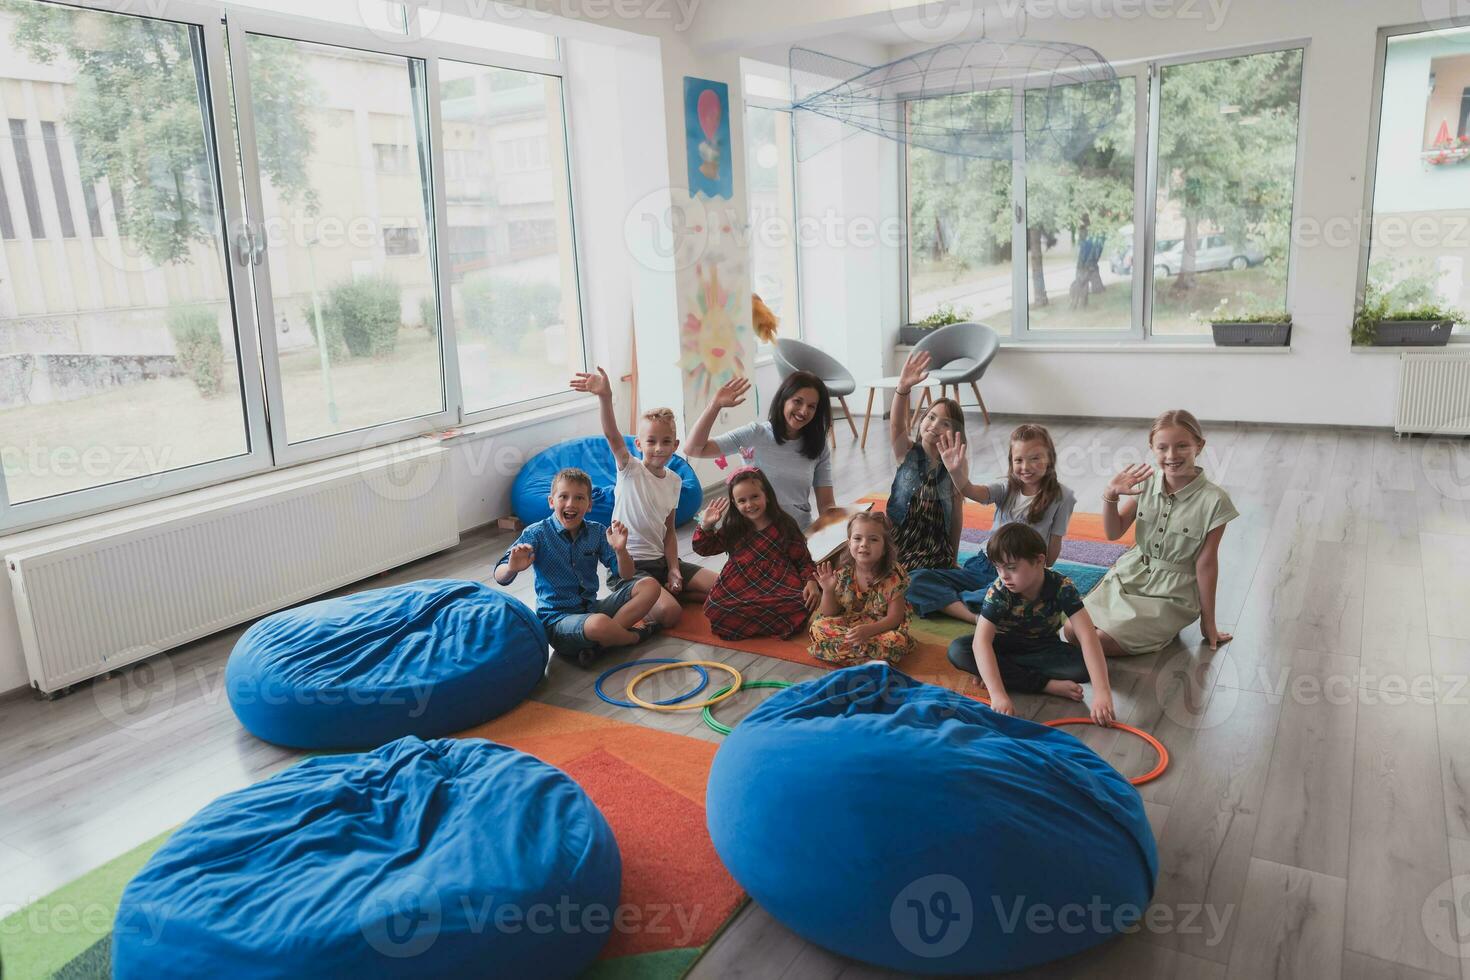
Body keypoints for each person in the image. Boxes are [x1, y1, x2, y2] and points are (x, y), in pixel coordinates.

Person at [1072, 409, 1237, 656]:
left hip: (1172, 594)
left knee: (1099, 641)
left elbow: (1206, 564)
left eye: (1182, 446)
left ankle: (1160, 629)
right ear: (1152, 447)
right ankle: (1141, 630)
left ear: (1199, 446)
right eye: (1162, 447)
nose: (1171, 455)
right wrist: (1110, 495)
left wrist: (1208, 623)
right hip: (1131, 576)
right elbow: (1113, 532)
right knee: (1071, 631)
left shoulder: (1215, 500)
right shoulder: (1146, 482)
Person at [570, 366, 717, 627]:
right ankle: (641, 599)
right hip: (629, 568)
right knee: (671, 614)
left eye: (666, 441)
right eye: (651, 441)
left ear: (675, 444)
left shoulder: (675, 480)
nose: (659, 448)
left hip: (661, 562)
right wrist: (605, 397)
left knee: (722, 586)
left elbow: (669, 532)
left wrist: (673, 568)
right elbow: (612, 435)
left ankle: (667, 589)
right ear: (639, 445)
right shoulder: (630, 469)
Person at [906, 423, 1076, 623]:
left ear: (1050, 459)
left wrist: (1035, 574)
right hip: (985, 564)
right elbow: (971, 491)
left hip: (1019, 572)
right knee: (912, 580)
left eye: (1035, 458)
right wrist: (955, 472)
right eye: (1018, 460)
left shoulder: (1062, 496)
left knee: (1022, 597)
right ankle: (975, 615)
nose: (1026, 467)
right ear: (1011, 462)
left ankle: (956, 602)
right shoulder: (1006, 487)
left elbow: (1051, 555)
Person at [946, 524, 1114, 726]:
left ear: (1039, 561)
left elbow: (1087, 636)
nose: (1003, 576)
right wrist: (997, 694)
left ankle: (1000, 671)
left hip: (1042, 646)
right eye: (998, 567)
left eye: (1011, 568)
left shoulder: (1062, 586)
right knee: (958, 650)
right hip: (1005, 645)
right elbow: (981, 642)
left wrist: (1102, 693)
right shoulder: (999, 591)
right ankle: (1044, 685)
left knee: (1082, 668)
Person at [494, 468, 661, 667]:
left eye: (579, 498)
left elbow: (626, 574)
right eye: (563, 496)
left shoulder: (597, 531)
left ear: (589, 505)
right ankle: (633, 637)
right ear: (551, 501)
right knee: (599, 623)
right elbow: (500, 576)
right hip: (559, 621)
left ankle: (602, 642)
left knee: (650, 585)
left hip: (591, 609)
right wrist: (512, 568)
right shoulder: (537, 533)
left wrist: (621, 550)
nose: (571, 504)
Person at [684, 372, 837, 529]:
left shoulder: (818, 445)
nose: (804, 411)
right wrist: (714, 405)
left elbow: (826, 505)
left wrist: (843, 527)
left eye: (812, 406)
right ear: (783, 400)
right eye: (798, 401)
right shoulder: (755, 434)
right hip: (755, 537)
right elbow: (694, 449)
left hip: (798, 534)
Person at [692, 467, 821, 640]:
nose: (749, 504)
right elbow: (704, 548)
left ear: (766, 495)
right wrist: (705, 525)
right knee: (716, 607)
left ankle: (756, 623)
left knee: (800, 603)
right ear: (735, 504)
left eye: (754, 497)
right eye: (742, 500)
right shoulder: (733, 528)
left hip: (779, 583)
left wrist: (811, 581)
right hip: (740, 583)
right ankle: (764, 624)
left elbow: (803, 561)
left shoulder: (784, 525)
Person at [886, 350, 966, 572]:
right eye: (931, 417)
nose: (935, 425)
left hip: (933, 545)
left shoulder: (955, 464)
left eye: (945, 423)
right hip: (898, 540)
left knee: (917, 580)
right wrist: (903, 388)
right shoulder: (906, 451)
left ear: (956, 432)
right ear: (922, 419)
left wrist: (953, 557)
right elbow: (896, 425)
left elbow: (956, 516)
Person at [810, 512, 914, 665]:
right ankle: (865, 655)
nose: (864, 544)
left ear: (885, 547)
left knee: (897, 641)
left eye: (873, 539)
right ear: (849, 543)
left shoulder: (893, 575)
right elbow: (829, 613)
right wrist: (828, 590)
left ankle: (849, 652)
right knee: (817, 627)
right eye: (857, 538)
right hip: (850, 625)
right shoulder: (844, 571)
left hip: (881, 627)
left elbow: (894, 618)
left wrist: (868, 631)